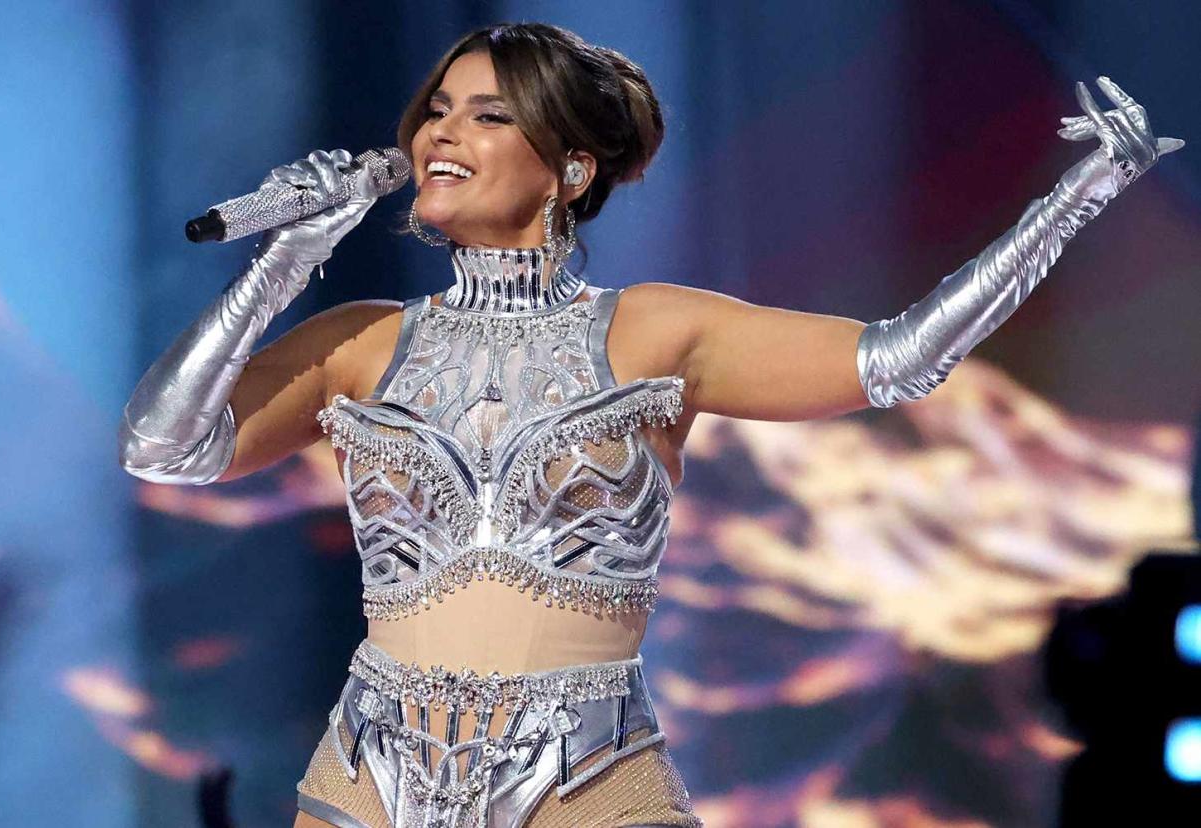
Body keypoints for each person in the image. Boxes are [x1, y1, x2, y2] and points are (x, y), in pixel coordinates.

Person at [117, 21, 1182, 828]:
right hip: (371, 783)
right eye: (437, 108)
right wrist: (287, 256)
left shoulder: (656, 333)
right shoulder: (357, 343)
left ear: (570, 169)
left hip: (586, 783)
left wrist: (1083, 190)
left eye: (488, 115)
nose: (442, 131)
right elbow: (164, 446)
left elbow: (900, 359)